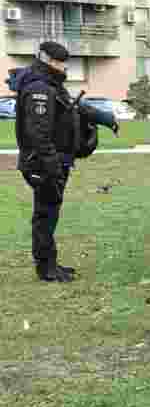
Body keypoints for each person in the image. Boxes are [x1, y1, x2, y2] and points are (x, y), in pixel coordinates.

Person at [15, 42, 95, 282]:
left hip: (54, 161)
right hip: (43, 163)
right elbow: (38, 134)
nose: (64, 67)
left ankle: (50, 262)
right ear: (48, 60)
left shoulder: (52, 85)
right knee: (45, 214)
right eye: (60, 62)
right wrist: (52, 166)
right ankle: (46, 268)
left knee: (49, 213)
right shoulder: (40, 88)